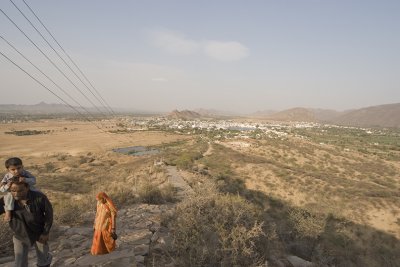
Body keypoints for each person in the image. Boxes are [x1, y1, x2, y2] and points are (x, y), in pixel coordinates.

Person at [0, 181, 53, 267]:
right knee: (20, 263)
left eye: (20, 190)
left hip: (39, 233)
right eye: (13, 190)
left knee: (43, 260)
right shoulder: (7, 200)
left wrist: (45, 232)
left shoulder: (39, 197)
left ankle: (47, 258)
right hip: (19, 234)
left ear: (27, 187)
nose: (16, 193)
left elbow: (49, 215)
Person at [1, 157, 37, 222]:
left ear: (22, 167)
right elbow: (2, 189)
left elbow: (34, 181)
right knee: (8, 196)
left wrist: (25, 179)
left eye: (19, 168)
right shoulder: (7, 176)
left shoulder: (25, 173)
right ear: (8, 170)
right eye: (13, 169)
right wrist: (7, 185)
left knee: (39, 194)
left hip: (27, 190)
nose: (16, 171)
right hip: (13, 193)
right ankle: (8, 212)